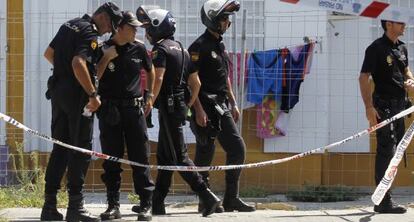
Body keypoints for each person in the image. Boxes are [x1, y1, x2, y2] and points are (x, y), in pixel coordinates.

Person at [41, 2, 123, 221]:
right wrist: (92, 93)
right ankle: (75, 207)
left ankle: (49, 207)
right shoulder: (90, 33)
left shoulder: (70, 24)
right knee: (81, 149)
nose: (109, 31)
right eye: (110, 26)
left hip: (59, 92)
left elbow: (49, 54)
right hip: (79, 98)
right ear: (103, 17)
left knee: (60, 147)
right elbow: (79, 63)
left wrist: (66, 75)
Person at [136, 6, 221, 217]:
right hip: (179, 108)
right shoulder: (182, 49)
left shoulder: (160, 49)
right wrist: (189, 104)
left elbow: (160, 78)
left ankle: (207, 196)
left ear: (157, 28)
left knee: (180, 157)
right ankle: (158, 203)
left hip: (168, 107)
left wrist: (149, 102)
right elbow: (197, 83)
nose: (145, 33)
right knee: (165, 156)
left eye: (147, 28)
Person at [188, 0, 255, 213]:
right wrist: (197, 110)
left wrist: (233, 102)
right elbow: (190, 82)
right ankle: (205, 199)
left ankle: (231, 199)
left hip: (221, 104)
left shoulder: (220, 45)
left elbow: (224, 77)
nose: (228, 23)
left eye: (228, 19)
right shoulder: (198, 47)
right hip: (204, 106)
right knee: (205, 152)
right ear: (213, 20)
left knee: (237, 148)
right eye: (224, 18)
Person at [95, 11, 155, 221]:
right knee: (112, 158)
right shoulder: (104, 48)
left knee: (140, 156)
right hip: (110, 111)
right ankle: (113, 205)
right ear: (119, 28)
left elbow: (151, 70)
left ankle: (146, 204)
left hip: (134, 110)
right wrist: (105, 58)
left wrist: (150, 95)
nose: (136, 31)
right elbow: (94, 77)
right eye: (132, 27)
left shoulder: (139, 47)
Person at [359, 19, 414, 214]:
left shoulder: (401, 47)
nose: (405, 25)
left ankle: (386, 197)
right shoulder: (376, 48)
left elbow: (405, 69)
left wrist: (410, 80)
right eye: (401, 22)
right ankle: (383, 201)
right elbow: (363, 77)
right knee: (386, 151)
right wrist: (368, 107)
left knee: (396, 152)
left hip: (400, 106)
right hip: (384, 107)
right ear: (389, 24)